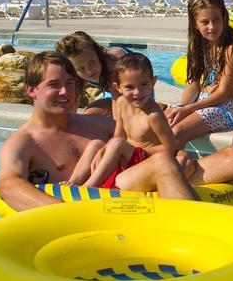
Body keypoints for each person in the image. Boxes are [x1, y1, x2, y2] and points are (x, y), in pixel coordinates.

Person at [0, 52, 233, 211]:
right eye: (54, 85)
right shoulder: (25, 142)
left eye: (69, 83)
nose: (66, 92)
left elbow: (138, 134)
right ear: (31, 91)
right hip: (106, 199)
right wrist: (65, 214)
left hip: (147, 171)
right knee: (166, 161)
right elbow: (9, 186)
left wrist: (173, 146)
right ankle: (199, 245)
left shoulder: (94, 118)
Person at [70, 53, 179, 189]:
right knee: (96, 144)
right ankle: (73, 182)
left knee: (117, 144)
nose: (137, 92)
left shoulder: (153, 114)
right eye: (129, 87)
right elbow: (119, 134)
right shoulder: (121, 102)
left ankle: (89, 186)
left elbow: (170, 147)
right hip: (126, 157)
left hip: (145, 162)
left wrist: (136, 150)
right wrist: (104, 149)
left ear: (153, 82)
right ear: (118, 87)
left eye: (144, 84)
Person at [166, 0, 233, 146]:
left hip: (225, 109)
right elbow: (193, 86)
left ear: (224, 17)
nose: (212, 27)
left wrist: (189, 109)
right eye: (205, 22)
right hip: (202, 102)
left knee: (176, 132)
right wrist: (181, 107)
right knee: (162, 124)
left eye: (216, 19)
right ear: (195, 24)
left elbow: (223, 94)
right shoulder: (200, 45)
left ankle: (172, 167)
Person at [55, 31, 129, 115]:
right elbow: (72, 105)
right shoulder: (75, 75)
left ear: (98, 53)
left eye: (92, 62)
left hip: (139, 91)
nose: (90, 71)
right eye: (81, 68)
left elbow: (124, 98)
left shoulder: (115, 62)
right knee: (89, 112)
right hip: (111, 92)